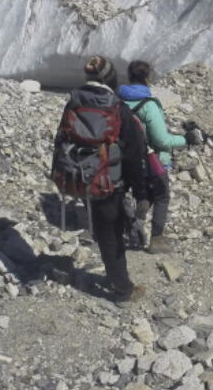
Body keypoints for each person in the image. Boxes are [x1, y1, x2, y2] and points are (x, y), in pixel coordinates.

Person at [63, 55, 149, 302]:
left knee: (103, 231)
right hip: (111, 182)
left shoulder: (74, 104)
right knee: (114, 233)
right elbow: (135, 153)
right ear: (110, 78)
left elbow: (64, 140)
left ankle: (117, 280)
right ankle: (122, 289)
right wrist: (140, 191)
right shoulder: (117, 108)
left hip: (82, 177)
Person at [118, 60, 201, 254]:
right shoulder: (149, 106)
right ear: (148, 78)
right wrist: (186, 139)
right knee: (162, 196)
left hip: (125, 160)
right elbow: (161, 140)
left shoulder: (118, 102)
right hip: (150, 160)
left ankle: (135, 222)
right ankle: (156, 240)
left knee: (141, 193)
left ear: (130, 77)